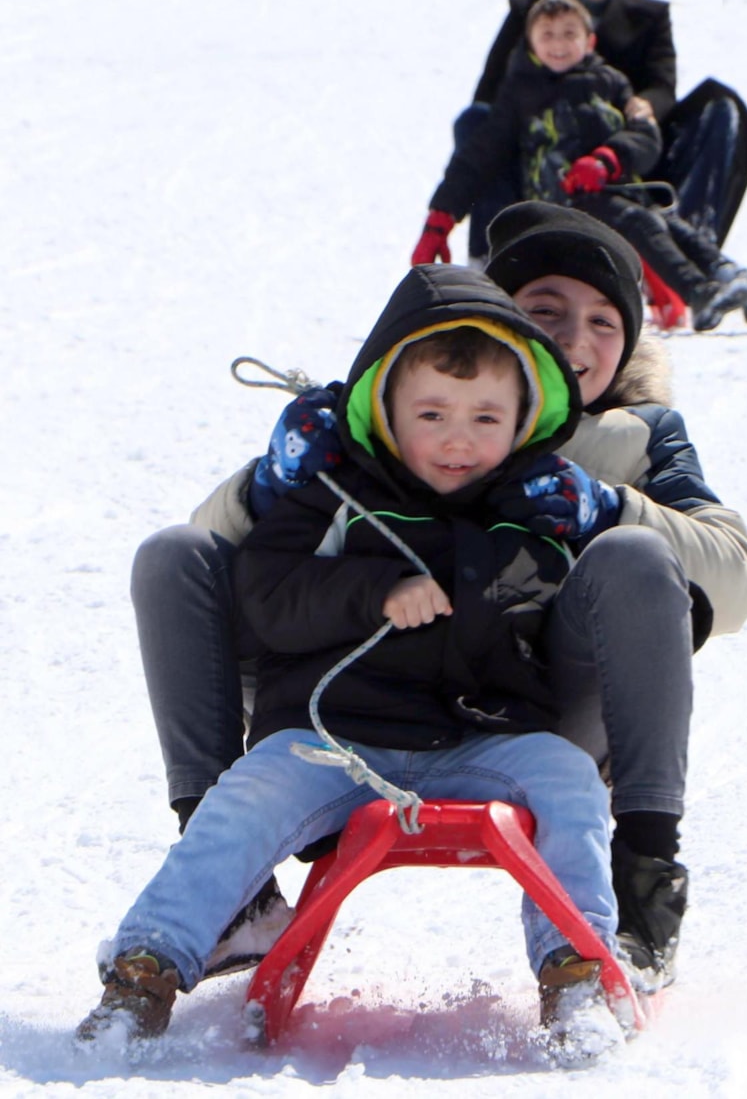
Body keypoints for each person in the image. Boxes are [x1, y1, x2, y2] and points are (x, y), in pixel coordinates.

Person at [131, 203, 747, 991]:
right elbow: (224, 570)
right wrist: (272, 481)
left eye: (604, 321)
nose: (576, 338)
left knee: (635, 554)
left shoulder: (643, 436)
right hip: (357, 697)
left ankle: (641, 884)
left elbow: (736, 584)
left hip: (536, 702)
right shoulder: (401, 406)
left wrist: (609, 507)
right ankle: (230, 893)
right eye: (546, 310)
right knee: (173, 555)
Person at [78, 263, 630, 1056]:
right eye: (432, 414)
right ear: (384, 412)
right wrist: (374, 592)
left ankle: (577, 973)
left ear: (522, 419)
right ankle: (144, 971)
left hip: (481, 739)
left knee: (570, 780)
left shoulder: (532, 513)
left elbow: (560, 628)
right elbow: (266, 593)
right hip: (332, 738)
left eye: (485, 417)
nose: (458, 439)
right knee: (242, 803)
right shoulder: (333, 496)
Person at [412, 0, 747, 332]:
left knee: (667, 223)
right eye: (547, 34)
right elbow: (479, 157)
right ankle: (700, 292)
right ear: (531, 43)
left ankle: (728, 276)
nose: (558, 43)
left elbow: (645, 136)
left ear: (589, 41)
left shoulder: (611, 84)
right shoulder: (520, 94)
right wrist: (441, 217)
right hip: (563, 201)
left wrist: (610, 158)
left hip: (614, 188)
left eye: (569, 34)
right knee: (641, 222)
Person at [458, 0, 747, 265]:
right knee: (475, 121)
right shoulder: (531, 13)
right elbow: (489, 95)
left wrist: (643, 106)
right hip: (546, 159)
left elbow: (662, 85)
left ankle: (690, 244)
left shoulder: (648, 15)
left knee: (719, 106)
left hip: (624, 157)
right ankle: (495, 250)